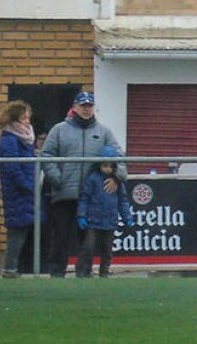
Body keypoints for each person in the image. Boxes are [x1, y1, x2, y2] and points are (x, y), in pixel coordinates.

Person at [41, 91, 125, 278]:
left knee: (87, 241)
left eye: (90, 106)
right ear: (75, 107)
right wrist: (57, 178)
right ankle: (56, 274)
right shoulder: (59, 129)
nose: (87, 109)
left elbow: (120, 157)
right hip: (65, 194)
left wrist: (117, 177)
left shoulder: (104, 132)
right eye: (83, 105)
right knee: (60, 237)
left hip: (92, 198)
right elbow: (47, 156)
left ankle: (84, 274)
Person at [0, 100, 41, 278]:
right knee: (17, 230)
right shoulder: (10, 139)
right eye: (24, 118)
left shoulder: (22, 138)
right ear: (15, 118)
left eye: (28, 117)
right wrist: (27, 185)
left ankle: (13, 267)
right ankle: (10, 268)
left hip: (25, 190)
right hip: (18, 192)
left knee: (22, 229)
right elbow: (12, 167)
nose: (27, 121)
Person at [75, 146, 133, 278]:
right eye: (105, 165)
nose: (108, 169)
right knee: (88, 247)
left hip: (110, 220)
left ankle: (104, 271)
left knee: (107, 250)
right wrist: (82, 215)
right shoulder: (92, 179)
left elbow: (123, 201)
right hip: (93, 220)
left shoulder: (118, 184)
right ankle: (83, 271)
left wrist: (126, 217)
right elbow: (84, 198)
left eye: (111, 166)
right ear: (99, 165)